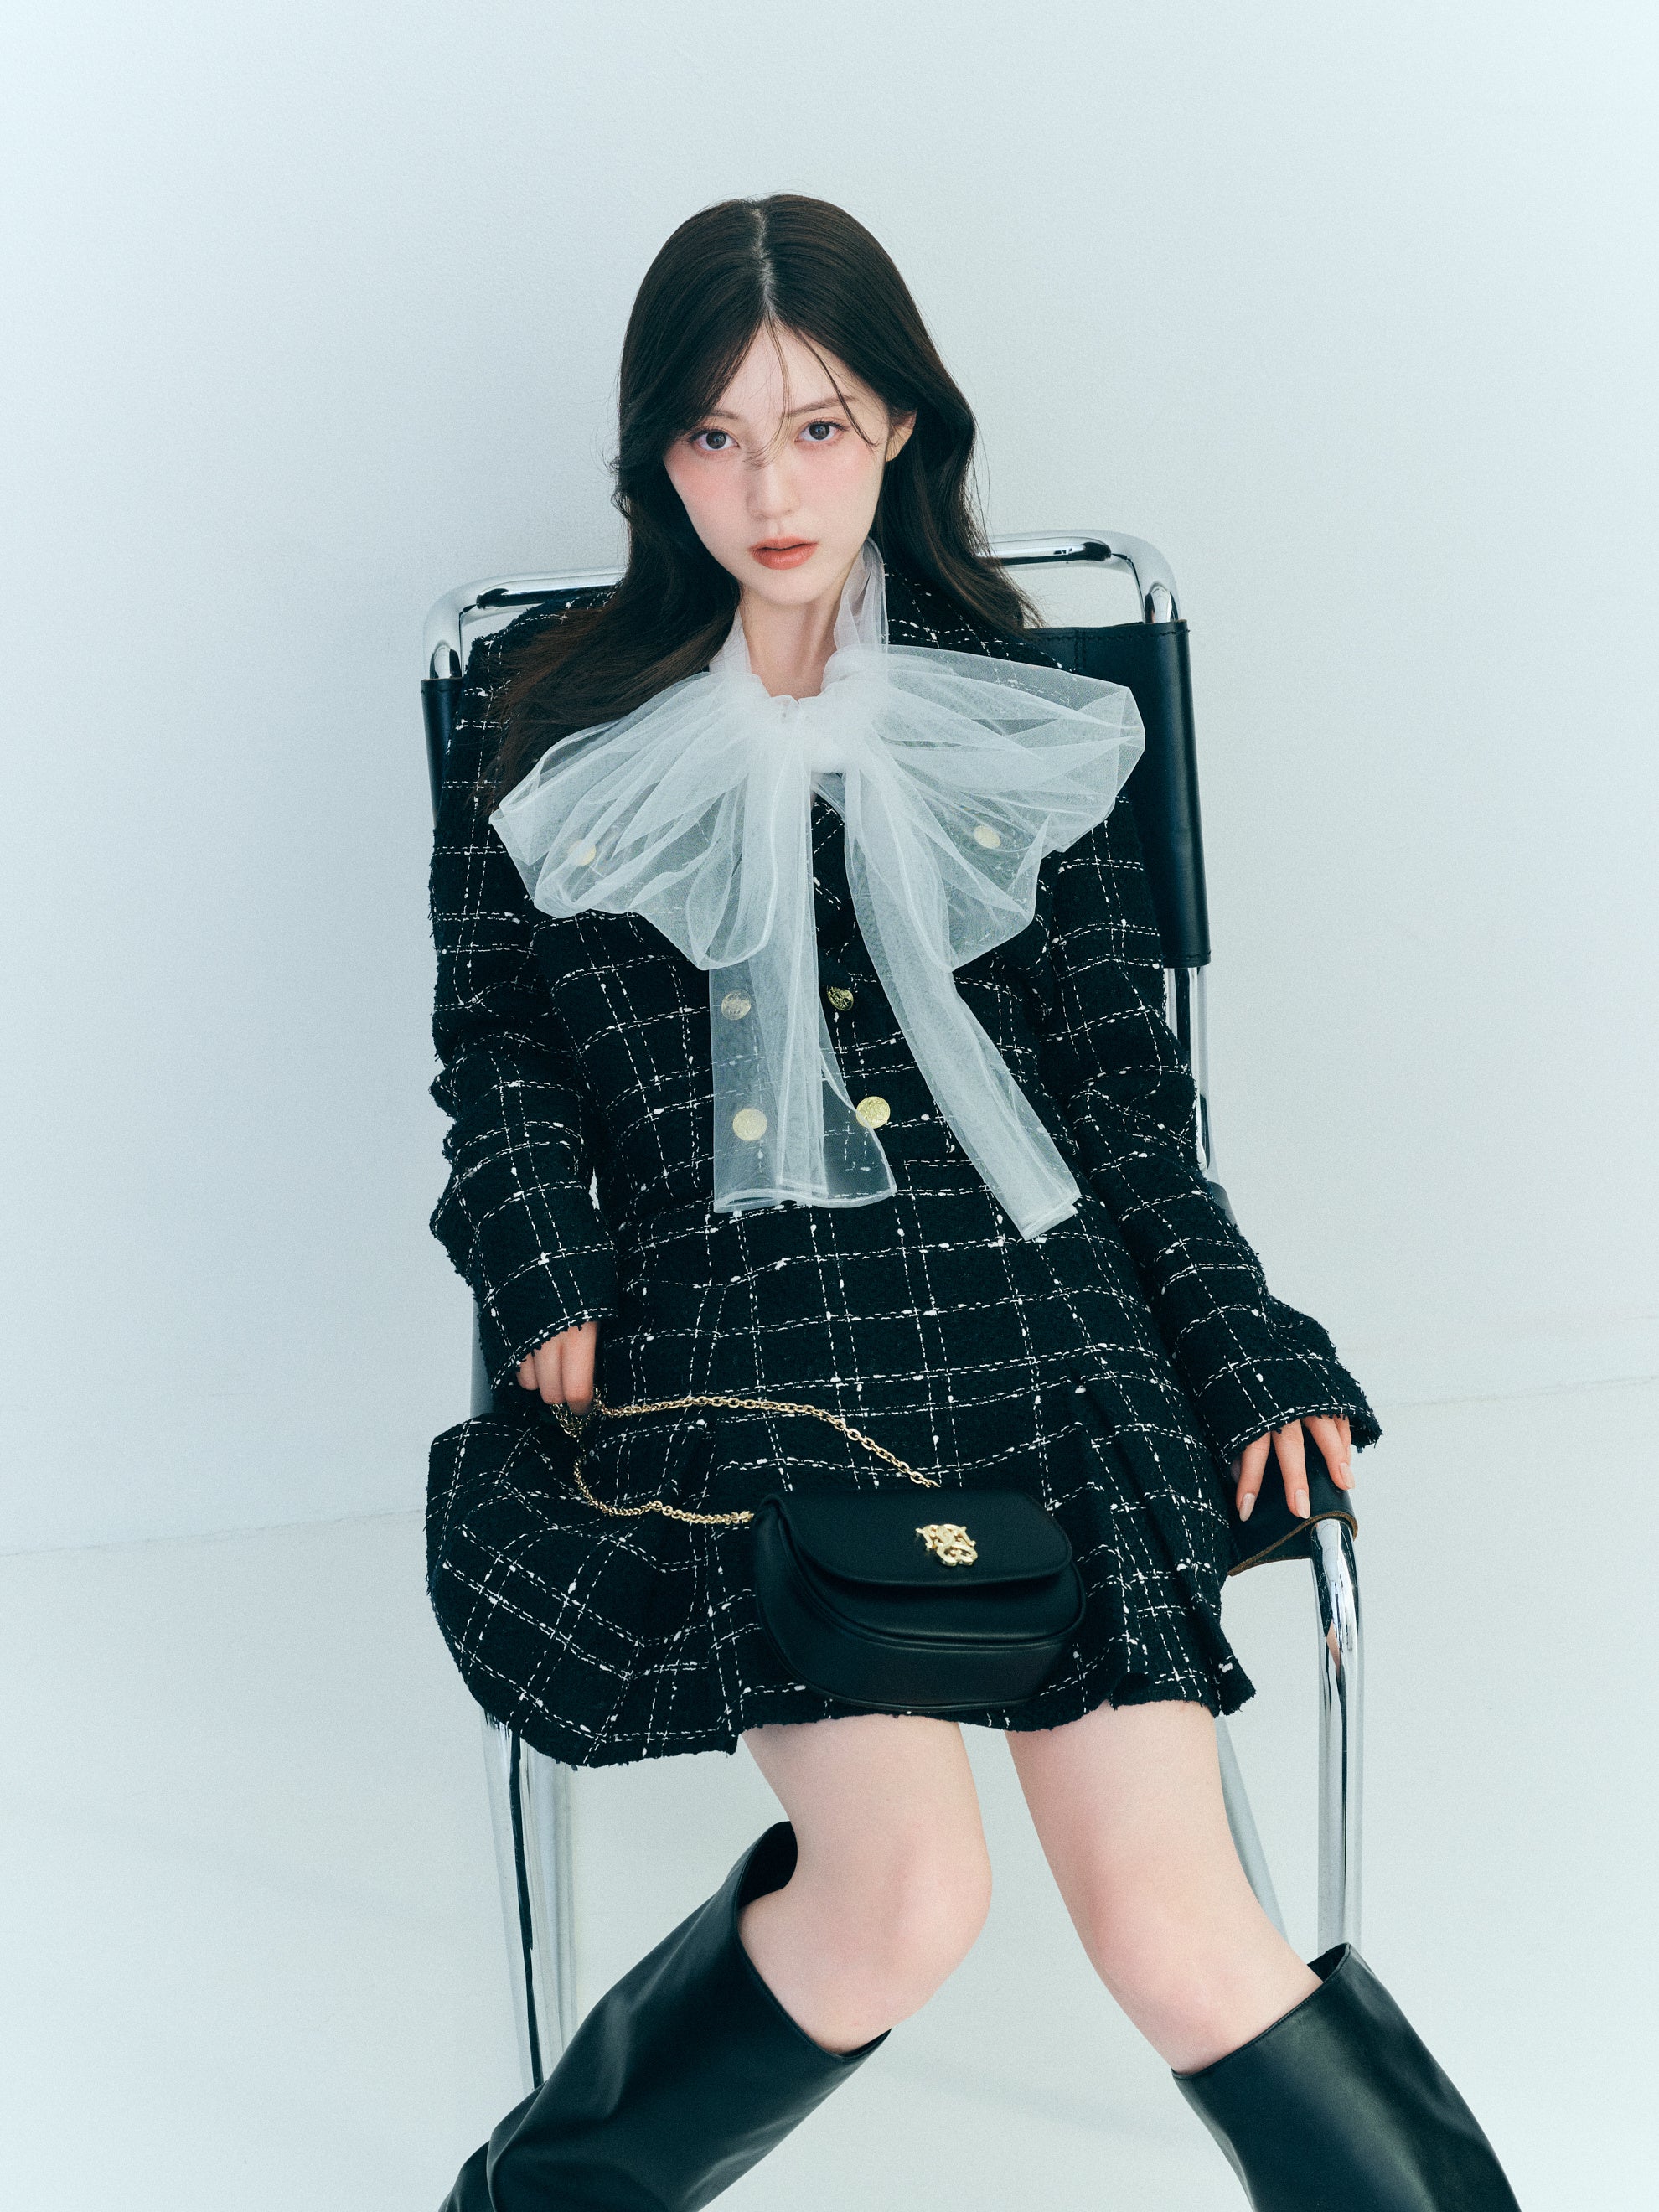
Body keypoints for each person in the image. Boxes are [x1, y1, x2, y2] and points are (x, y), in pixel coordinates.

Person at [425, 194, 1522, 2210]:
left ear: (902, 429)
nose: (770, 489)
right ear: (657, 455)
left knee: (1181, 1931)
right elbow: (493, 1053)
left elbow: (1123, 1093)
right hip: (741, 1343)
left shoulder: (1009, 708)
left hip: (1041, 1327)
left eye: (818, 428)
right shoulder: (547, 718)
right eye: (717, 434)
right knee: (905, 1896)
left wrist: (1240, 1336)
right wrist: (540, 1262)